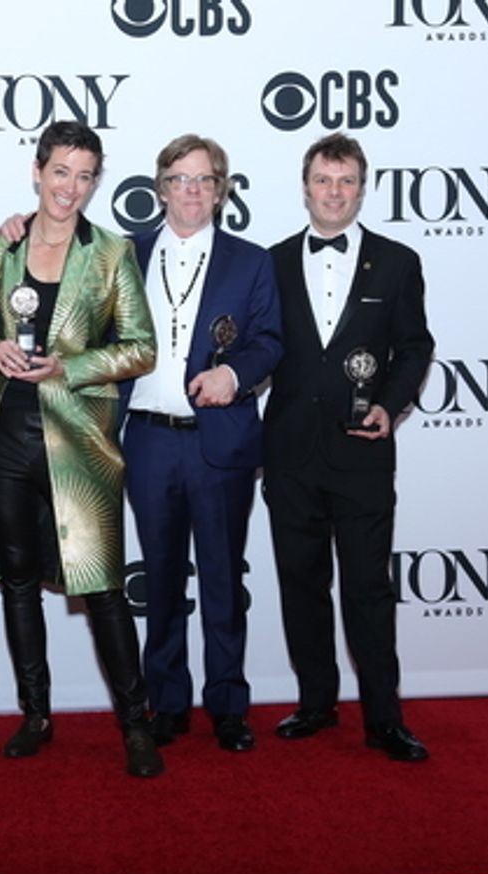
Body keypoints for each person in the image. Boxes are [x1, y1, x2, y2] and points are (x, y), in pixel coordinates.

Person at [0, 120, 162, 778]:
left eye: (84, 176)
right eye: (60, 172)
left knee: (104, 588)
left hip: (78, 442)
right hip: (4, 439)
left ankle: (136, 722)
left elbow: (141, 348)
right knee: (19, 581)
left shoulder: (111, 252)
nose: (69, 188)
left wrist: (66, 368)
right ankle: (36, 713)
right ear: (37, 170)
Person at [263, 132, 435, 762]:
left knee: (367, 589)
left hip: (363, 454)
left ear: (362, 188)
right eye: (323, 180)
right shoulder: (272, 262)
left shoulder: (397, 261)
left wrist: (390, 404)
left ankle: (384, 718)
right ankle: (315, 703)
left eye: (346, 181)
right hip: (289, 456)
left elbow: (415, 346)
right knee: (300, 583)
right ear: (305, 186)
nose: (334, 193)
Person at [123, 135, 284, 753]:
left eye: (205, 179)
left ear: (221, 190)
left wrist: (235, 374)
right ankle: (166, 701)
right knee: (161, 580)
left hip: (221, 444)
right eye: (180, 178)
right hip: (148, 441)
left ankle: (228, 703)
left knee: (221, 578)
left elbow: (269, 340)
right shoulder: (124, 254)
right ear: (159, 187)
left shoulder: (251, 261)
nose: (192, 190)